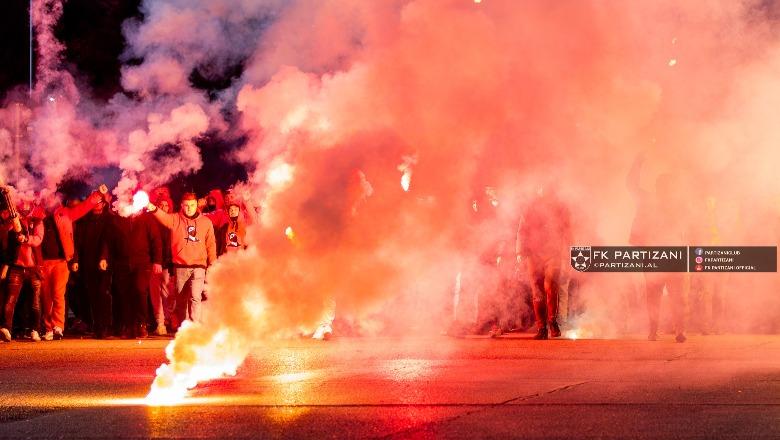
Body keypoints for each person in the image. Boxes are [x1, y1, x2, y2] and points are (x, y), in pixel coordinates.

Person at [627, 153, 689, 343]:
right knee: (656, 295)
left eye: (669, 187)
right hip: (655, 254)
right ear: (658, 188)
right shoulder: (650, 201)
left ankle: (677, 331)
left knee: (674, 296)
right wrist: (637, 163)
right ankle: (657, 331)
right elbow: (632, 186)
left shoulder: (677, 205)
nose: (666, 190)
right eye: (664, 186)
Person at [39, 185, 106, 341]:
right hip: (43, 262)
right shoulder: (38, 216)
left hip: (61, 261)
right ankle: (48, 328)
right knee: (46, 297)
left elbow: (84, 207)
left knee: (58, 294)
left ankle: (58, 327)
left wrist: (98, 194)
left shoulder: (65, 213)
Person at [147, 193, 216, 325]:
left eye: (192, 205)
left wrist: (212, 263)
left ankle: (195, 326)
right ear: (181, 206)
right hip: (181, 266)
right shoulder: (175, 219)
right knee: (181, 300)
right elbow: (163, 217)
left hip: (199, 266)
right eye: (186, 205)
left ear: (196, 205)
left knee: (196, 297)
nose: (189, 208)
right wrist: (153, 207)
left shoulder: (206, 222)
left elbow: (211, 244)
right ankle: (184, 327)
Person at [517, 185, 572, 340]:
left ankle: (552, 321)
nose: (543, 190)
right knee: (537, 291)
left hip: (552, 252)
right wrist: (520, 252)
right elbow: (522, 230)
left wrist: (569, 250)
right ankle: (542, 328)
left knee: (550, 286)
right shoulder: (530, 208)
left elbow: (567, 230)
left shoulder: (559, 208)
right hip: (533, 254)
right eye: (540, 187)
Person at [100, 205, 162, 339]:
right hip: (121, 262)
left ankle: (141, 323)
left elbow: (155, 239)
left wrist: (157, 260)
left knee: (140, 290)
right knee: (124, 294)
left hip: (142, 262)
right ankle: (128, 325)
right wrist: (104, 257)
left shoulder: (146, 218)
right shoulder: (117, 219)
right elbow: (108, 240)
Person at [1, 199, 44, 342]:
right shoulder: (14, 219)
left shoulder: (37, 221)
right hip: (17, 267)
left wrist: (25, 238)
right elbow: (5, 233)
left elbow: (38, 239)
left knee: (35, 302)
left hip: (33, 268)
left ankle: (35, 329)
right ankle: (6, 328)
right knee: (11, 300)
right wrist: (13, 222)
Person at [75, 192, 114, 338]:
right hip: (88, 262)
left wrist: (104, 257)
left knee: (104, 293)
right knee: (92, 295)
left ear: (104, 204)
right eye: (93, 202)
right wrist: (76, 260)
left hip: (105, 263)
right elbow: (78, 242)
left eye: (98, 202)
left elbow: (108, 240)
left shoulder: (109, 219)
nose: (94, 204)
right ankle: (96, 325)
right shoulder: (84, 220)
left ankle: (106, 326)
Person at [148, 195, 175, 335]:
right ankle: (160, 321)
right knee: (155, 293)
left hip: (168, 262)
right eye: (161, 205)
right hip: (154, 262)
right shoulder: (152, 221)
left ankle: (168, 319)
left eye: (166, 205)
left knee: (168, 293)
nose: (164, 208)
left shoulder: (172, 221)